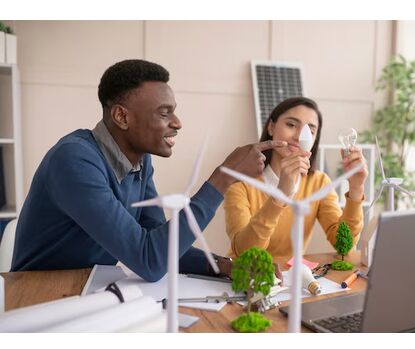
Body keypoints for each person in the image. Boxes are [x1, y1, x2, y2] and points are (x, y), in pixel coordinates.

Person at [11, 59, 286, 282]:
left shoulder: (141, 162)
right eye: (164, 113)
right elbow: (150, 261)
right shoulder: (74, 161)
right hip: (36, 297)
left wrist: (226, 266)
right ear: (122, 116)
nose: (177, 123)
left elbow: (162, 246)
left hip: (86, 291)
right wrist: (223, 177)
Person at [224, 97, 368, 261]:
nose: (300, 136)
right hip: (245, 279)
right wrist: (280, 195)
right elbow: (245, 252)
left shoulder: (319, 183)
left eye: (310, 131)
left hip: (292, 280)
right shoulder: (241, 184)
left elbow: (344, 245)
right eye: (291, 125)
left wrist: (356, 188)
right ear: (271, 127)